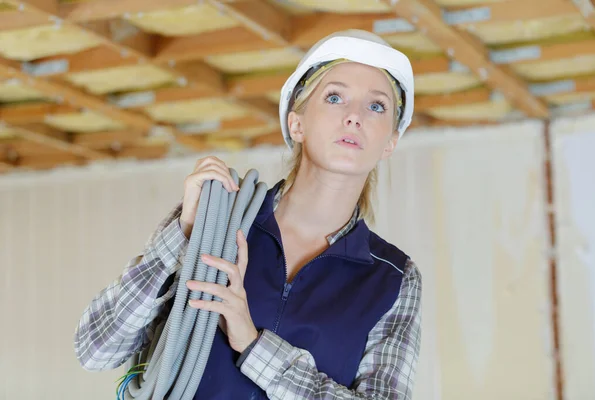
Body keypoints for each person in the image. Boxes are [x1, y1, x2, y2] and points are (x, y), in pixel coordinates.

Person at [74, 29, 422, 399]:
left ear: (391, 142)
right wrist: (184, 235)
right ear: (296, 123)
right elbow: (96, 350)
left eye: (376, 106)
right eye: (335, 97)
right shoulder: (218, 221)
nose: (354, 116)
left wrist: (253, 345)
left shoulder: (394, 279)